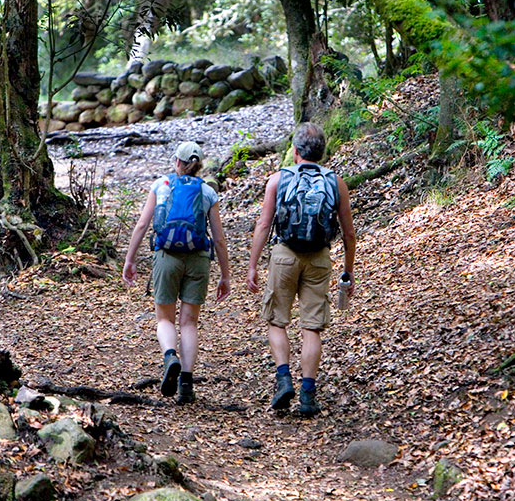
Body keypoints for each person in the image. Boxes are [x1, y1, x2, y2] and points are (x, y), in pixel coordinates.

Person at [246, 122, 356, 415]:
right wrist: (348, 269)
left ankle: (283, 379)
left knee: (277, 320)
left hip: (284, 255)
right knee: (312, 327)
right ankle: (308, 395)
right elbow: (348, 233)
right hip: (319, 257)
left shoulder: (278, 180)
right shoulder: (336, 182)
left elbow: (264, 225)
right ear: (321, 152)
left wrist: (253, 265)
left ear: (295, 151)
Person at [123, 141, 231, 404]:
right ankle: (186, 384)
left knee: (164, 320)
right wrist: (225, 274)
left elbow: (141, 225)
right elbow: (218, 239)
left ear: (177, 163)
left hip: (166, 258)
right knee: (189, 322)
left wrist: (130, 259)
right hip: (198, 260)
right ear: (199, 166)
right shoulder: (207, 192)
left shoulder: (161, 186)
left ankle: (170, 355)